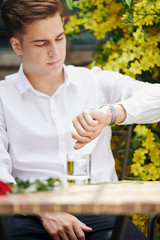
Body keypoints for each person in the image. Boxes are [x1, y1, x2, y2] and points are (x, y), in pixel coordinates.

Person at [0, 0, 160, 240]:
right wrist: (44, 212)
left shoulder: (93, 82)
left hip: (102, 215)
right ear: (17, 45)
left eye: (59, 38)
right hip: (30, 216)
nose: (55, 51)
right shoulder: (3, 98)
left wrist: (111, 114)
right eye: (41, 43)